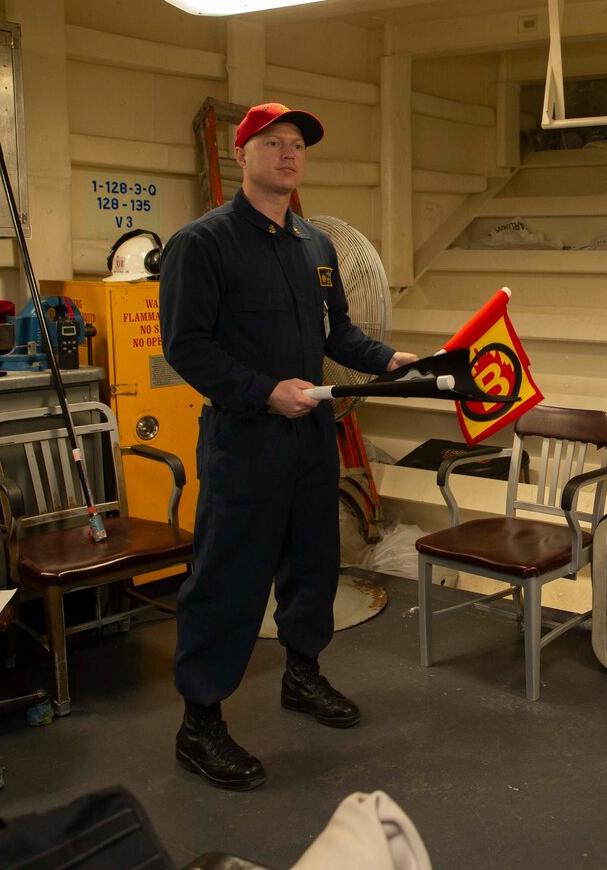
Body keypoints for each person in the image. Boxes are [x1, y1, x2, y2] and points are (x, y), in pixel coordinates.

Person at [159, 102, 418, 791]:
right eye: (272, 143)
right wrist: (263, 389)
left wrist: (392, 359)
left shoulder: (316, 246)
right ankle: (200, 723)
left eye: (297, 144)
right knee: (227, 579)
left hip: (309, 437)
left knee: (313, 565)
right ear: (242, 154)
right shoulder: (204, 243)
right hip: (245, 440)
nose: (287, 154)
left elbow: (339, 334)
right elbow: (185, 347)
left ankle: (302, 676)